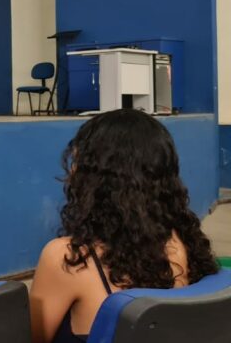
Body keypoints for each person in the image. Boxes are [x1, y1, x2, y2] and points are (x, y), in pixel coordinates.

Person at [29, 109, 219, 343]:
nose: (72, 171)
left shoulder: (69, 257)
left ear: (95, 178)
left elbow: (29, 338)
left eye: (79, 163)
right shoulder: (185, 243)